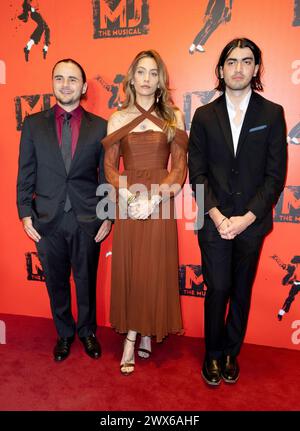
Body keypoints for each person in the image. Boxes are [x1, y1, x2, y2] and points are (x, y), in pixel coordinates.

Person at [188, 38, 287, 386]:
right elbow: (196, 174)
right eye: (231, 62)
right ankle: (212, 354)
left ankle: (231, 352)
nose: (239, 68)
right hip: (213, 220)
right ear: (220, 69)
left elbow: (276, 176)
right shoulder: (203, 115)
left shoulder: (272, 114)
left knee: (241, 289)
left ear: (256, 68)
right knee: (218, 287)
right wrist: (216, 216)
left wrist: (246, 218)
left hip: (251, 221)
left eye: (247, 61)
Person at [17, 59, 111, 362]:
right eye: (60, 78)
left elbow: (106, 175)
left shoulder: (101, 126)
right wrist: (24, 211)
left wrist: (107, 215)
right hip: (47, 218)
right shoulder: (33, 124)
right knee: (56, 282)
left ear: (83, 87)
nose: (66, 84)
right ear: (53, 83)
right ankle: (65, 333)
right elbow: (26, 171)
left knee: (86, 280)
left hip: (87, 217)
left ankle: (87, 332)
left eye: (73, 79)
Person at [102, 49, 188, 375]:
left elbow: (179, 168)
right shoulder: (118, 118)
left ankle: (142, 333)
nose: (147, 79)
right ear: (132, 77)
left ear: (160, 79)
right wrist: (128, 196)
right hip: (128, 200)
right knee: (134, 266)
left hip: (160, 200)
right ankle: (134, 338)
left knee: (153, 267)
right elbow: (110, 168)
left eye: (154, 73)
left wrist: (153, 200)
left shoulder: (173, 117)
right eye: (141, 72)